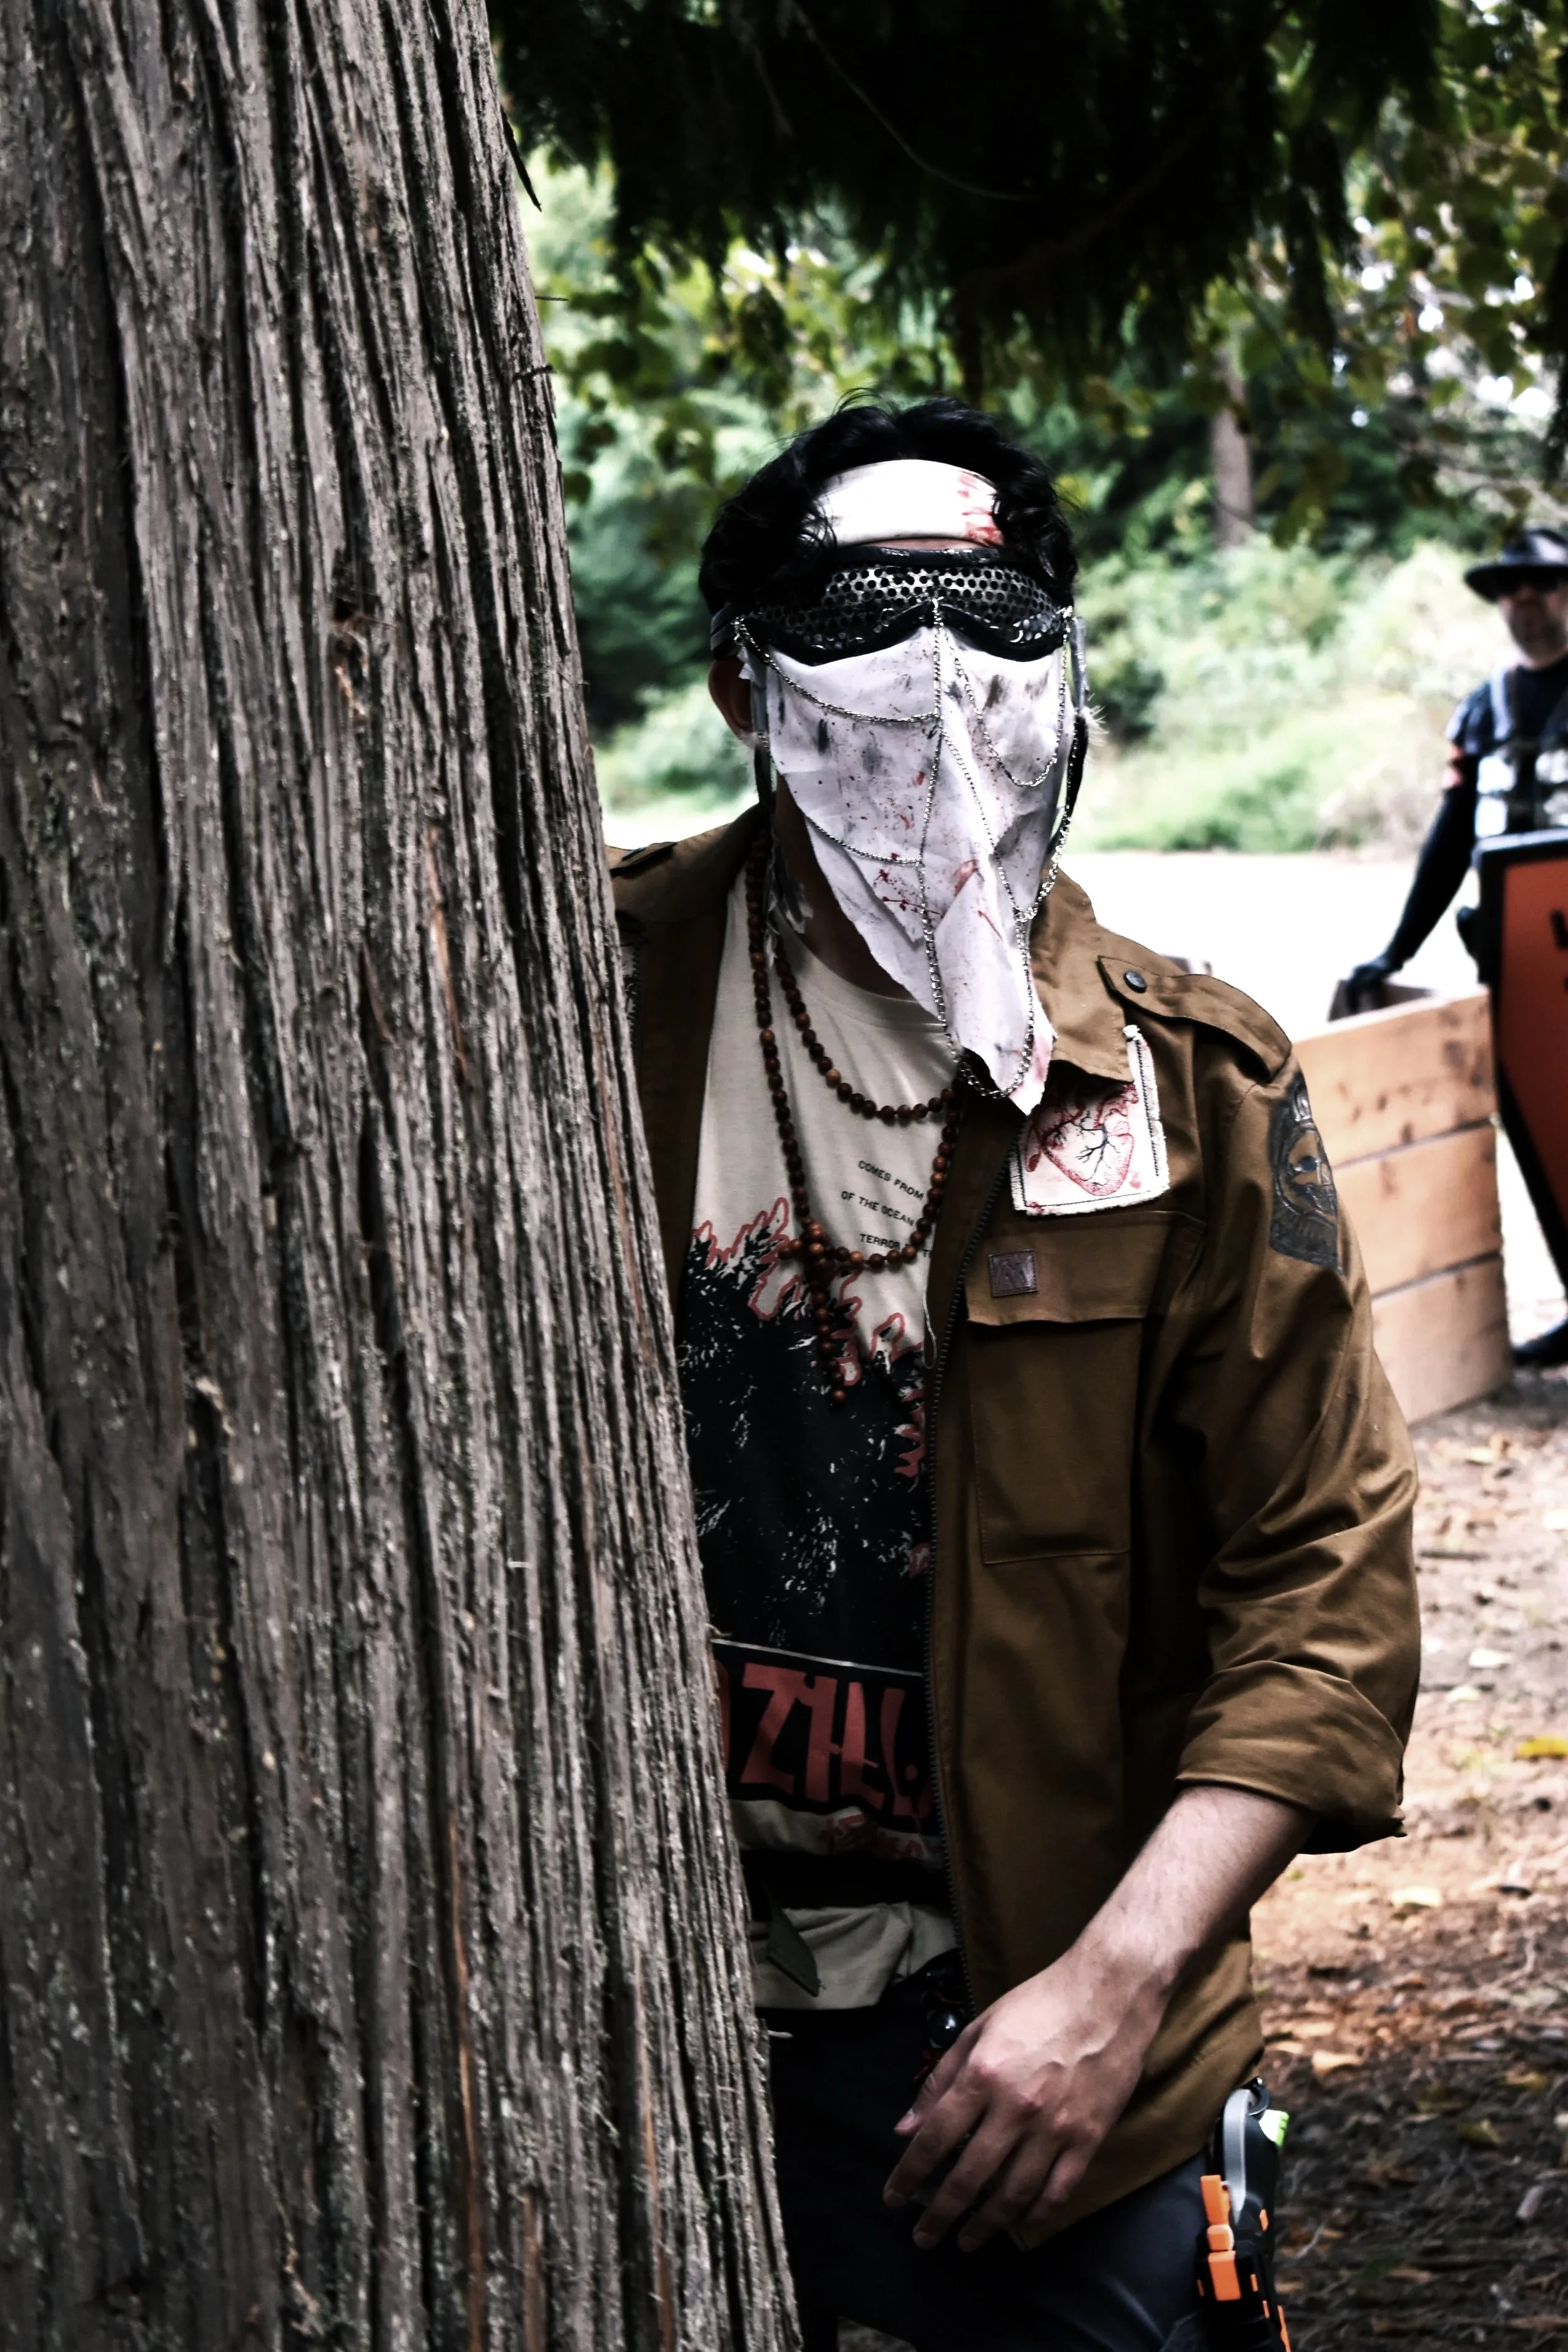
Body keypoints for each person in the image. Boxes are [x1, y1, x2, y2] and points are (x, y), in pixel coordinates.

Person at [611, 399, 1419, 2352]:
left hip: (1049, 2056)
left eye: (988, 629)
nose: (934, 691)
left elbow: (1321, 1598)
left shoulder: (1194, 1088)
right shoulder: (586, 997)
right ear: (742, 679)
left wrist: (1109, 1991)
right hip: (652, 2011)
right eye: (864, 631)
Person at [1343, 524, 1568, 1368]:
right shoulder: (1485, 707)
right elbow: (1449, 842)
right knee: (1542, 1122)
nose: (1525, 601)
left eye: (1540, 584)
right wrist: (1398, 948)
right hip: (1511, 953)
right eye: (1511, 587)